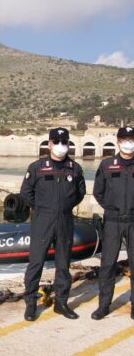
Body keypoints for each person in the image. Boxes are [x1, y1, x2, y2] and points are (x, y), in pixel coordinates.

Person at [20, 127, 86, 321]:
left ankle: (61, 303)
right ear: (49, 144)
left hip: (65, 220)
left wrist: (64, 206)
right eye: (56, 142)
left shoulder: (75, 168)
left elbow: (80, 193)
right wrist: (42, 208)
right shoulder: (36, 167)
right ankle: (31, 304)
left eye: (64, 142)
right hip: (43, 220)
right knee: (36, 263)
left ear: (68, 144)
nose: (60, 145)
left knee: (63, 264)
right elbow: (26, 192)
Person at [91, 126, 134, 320]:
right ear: (118, 142)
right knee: (108, 265)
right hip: (112, 223)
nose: (128, 143)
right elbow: (98, 191)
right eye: (125, 139)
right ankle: (104, 305)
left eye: (131, 139)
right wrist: (111, 208)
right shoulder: (107, 164)